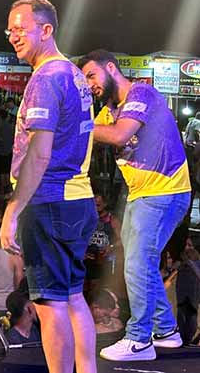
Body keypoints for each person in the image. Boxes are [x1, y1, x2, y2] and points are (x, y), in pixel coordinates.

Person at [0, 0, 97, 373]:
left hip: (50, 201)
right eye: (10, 30)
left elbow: (39, 152)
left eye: (21, 29)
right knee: (71, 296)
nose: (13, 37)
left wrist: (13, 209)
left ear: (46, 30)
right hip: (77, 200)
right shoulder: (72, 73)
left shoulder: (47, 77)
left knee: (49, 303)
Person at [78, 50, 192, 361]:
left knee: (138, 263)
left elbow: (118, 136)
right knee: (141, 263)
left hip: (164, 192)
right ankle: (166, 330)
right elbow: (89, 133)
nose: (89, 85)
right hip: (143, 195)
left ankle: (139, 339)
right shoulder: (109, 109)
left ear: (111, 68)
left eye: (91, 76)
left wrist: (81, 127)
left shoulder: (141, 92)